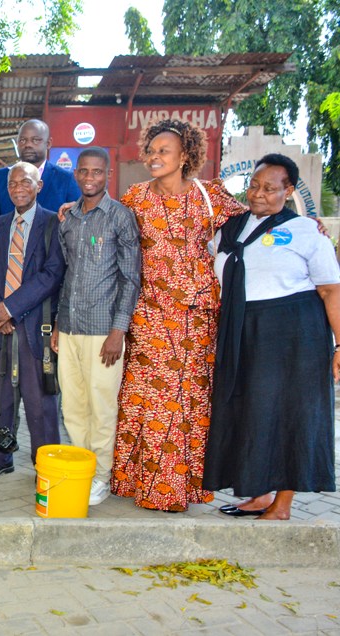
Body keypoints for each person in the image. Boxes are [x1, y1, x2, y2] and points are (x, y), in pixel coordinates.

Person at [111, 119, 245, 512]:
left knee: (188, 402)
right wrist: (71, 210)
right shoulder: (135, 197)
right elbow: (107, 224)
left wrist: (305, 225)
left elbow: (255, 220)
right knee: (145, 399)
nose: (154, 157)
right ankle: (139, 483)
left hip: (195, 318)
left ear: (185, 155)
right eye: (151, 151)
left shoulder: (210, 196)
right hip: (148, 314)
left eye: (163, 151)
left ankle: (179, 488)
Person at [204, 154, 340, 520]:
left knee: (290, 412)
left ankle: (282, 503)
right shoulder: (230, 228)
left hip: (294, 335)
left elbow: (331, 290)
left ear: (288, 190)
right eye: (254, 186)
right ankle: (260, 494)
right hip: (243, 329)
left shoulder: (305, 231)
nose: (258, 194)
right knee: (253, 410)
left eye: (269, 188)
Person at [50, 148, 140, 504]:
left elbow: (130, 278)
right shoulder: (69, 218)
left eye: (97, 172)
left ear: (108, 175)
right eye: (84, 171)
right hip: (70, 326)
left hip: (104, 331)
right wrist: (59, 323)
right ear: (76, 174)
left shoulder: (120, 217)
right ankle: (81, 468)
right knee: (72, 406)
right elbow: (67, 274)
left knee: (101, 406)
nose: (90, 177)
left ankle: (101, 475)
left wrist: (119, 331)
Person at [0, 162, 65, 480]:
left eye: (25, 182)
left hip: (35, 325)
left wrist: (11, 308)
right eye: (12, 183)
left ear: (39, 186)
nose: (18, 188)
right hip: (1, 326)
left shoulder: (53, 223)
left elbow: (52, 274)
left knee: (41, 400)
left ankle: (46, 462)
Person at [0, 119, 80, 216]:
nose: (28, 145)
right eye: (22, 140)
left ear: (48, 143)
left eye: (35, 140)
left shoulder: (66, 179)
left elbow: (77, 218)